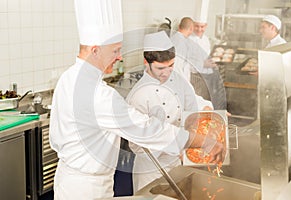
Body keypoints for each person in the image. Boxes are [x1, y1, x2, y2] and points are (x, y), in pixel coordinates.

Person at [49, 0, 224, 199]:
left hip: (72, 180)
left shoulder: (68, 77)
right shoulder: (98, 95)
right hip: (87, 188)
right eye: (115, 50)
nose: (120, 57)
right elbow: (147, 129)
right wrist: (202, 141)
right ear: (95, 50)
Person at [126, 31, 215, 192]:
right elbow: (137, 145)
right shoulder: (138, 96)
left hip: (177, 164)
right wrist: (176, 146)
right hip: (151, 170)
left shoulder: (177, 77)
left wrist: (206, 108)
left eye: (171, 65)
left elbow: (192, 98)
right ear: (146, 62)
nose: (167, 72)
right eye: (160, 68)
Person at [189, 19, 227, 110]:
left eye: (202, 27)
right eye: (197, 26)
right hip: (195, 77)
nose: (199, 29)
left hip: (206, 77)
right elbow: (186, 62)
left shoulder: (205, 39)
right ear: (192, 25)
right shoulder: (188, 39)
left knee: (206, 102)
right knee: (197, 105)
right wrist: (202, 64)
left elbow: (208, 56)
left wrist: (213, 63)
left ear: (206, 26)